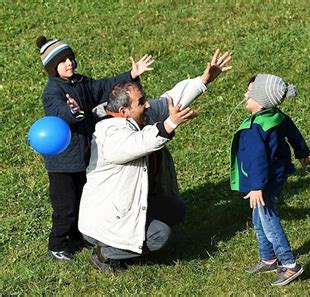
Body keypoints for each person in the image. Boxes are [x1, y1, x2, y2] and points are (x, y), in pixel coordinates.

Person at [78, 49, 232, 272]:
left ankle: (126, 242)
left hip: (127, 206)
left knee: (175, 209)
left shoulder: (141, 115)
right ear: (124, 110)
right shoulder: (108, 135)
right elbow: (139, 143)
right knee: (160, 235)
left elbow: (169, 99)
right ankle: (105, 252)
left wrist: (203, 80)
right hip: (107, 220)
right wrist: (170, 124)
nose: (148, 105)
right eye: (141, 102)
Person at [36, 35, 155, 261]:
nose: (69, 63)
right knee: (65, 207)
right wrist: (71, 112)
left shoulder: (81, 82)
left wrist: (131, 76)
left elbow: (103, 86)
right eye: (62, 61)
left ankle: (76, 237)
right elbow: (58, 113)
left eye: (70, 58)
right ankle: (57, 245)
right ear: (53, 68)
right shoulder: (53, 91)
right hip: (62, 163)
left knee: (82, 200)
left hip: (83, 157)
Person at [229, 74, 310, 286]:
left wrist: (257, 187)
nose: (245, 95)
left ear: (261, 99)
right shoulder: (276, 116)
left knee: (269, 220)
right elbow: (294, 134)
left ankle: (290, 265)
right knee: (259, 218)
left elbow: (258, 161)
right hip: (277, 176)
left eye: (250, 92)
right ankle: (269, 258)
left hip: (263, 182)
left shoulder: (255, 129)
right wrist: (302, 152)